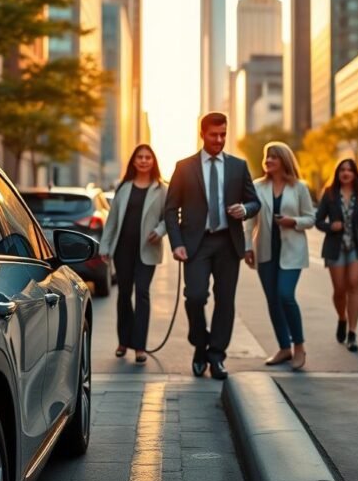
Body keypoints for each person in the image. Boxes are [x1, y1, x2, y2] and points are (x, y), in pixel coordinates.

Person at [164, 112, 260, 380]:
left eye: (223, 135)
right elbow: (170, 209)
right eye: (214, 135)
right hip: (196, 244)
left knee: (225, 301)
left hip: (228, 242)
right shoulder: (184, 167)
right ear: (202, 134)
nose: (219, 140)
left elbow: (254, 202)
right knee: (195, 296)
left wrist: (245, 209)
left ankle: (216, 356)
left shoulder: (238, 166)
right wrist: (176, 243)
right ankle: (200, 344)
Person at [244, 142, 315, 371]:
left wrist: (293, 221)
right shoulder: (257, 187)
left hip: (292, 251)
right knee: (273, 300)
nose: (268, 160)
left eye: (273, 157)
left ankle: (299, 346)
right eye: (267, 156)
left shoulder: (299, 188)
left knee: (285, 295)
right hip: (265, 251)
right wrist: (247, 247)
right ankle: (284, 348)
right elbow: (250, 222)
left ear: (284, 160)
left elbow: (310, 218)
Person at [99, 144, 167, 364]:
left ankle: (139, 346)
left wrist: (160, 230)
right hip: (123, 249)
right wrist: (105, 247)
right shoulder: (124, 187)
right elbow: (112, 219)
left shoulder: (161, 189)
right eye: (140, 157)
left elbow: (169, 217)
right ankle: (123, 342)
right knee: (124, 294)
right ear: (134, 161)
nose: (144, 160)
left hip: (147, 250)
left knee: (143, 294)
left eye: (148, 157)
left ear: (153, 161)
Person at [315, 159, 358, 352]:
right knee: (339, 289)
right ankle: (342, 318)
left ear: (355, 174)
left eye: (350, 170)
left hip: (357, 247)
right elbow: (318, 221)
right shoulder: (329, 194)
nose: (346, 173)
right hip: (336, 247)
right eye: (342, 169)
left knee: (353, 285)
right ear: (338, 173)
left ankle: (352, 333)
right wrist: (330, 226)